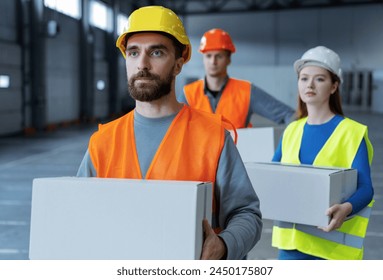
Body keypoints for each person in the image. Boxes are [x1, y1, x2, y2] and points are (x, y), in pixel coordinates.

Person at [76, 6, 262, 260]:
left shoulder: (213, 137)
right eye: (133, 52)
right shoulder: (102, 143)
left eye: (156, 52)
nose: (142, 64)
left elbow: (246, 213)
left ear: (177, 64)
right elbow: (80, 216)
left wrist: (224, 244)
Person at [271, 46, 374, 260]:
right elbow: (273, 178)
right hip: (290, 248)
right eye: (304, 78)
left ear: (334, 86)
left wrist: (347, 208)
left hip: (332, 253)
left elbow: (366, 188)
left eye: (319, 79)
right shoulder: (291, 130)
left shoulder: (352, 132)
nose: (309, 85)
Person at [178, 28, 295, 129]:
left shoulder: (247, 91)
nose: (213, 62)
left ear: (228, 59)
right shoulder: (188, 94)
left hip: (237, 154)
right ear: (203, 58)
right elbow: (175, 127)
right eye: (208, 56)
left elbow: (288, 115)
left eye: (219, 56)